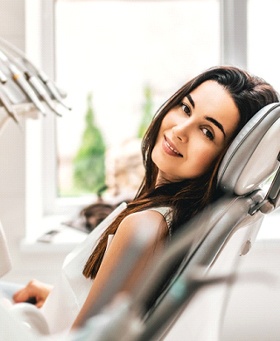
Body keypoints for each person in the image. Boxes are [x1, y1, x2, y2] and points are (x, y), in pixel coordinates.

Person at [10, 66, 279, 334]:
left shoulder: (145, 227)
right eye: (185, 108)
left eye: (207, 132)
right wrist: (58, 299)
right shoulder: (176, 218)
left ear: (226, 159)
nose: (180, 130)